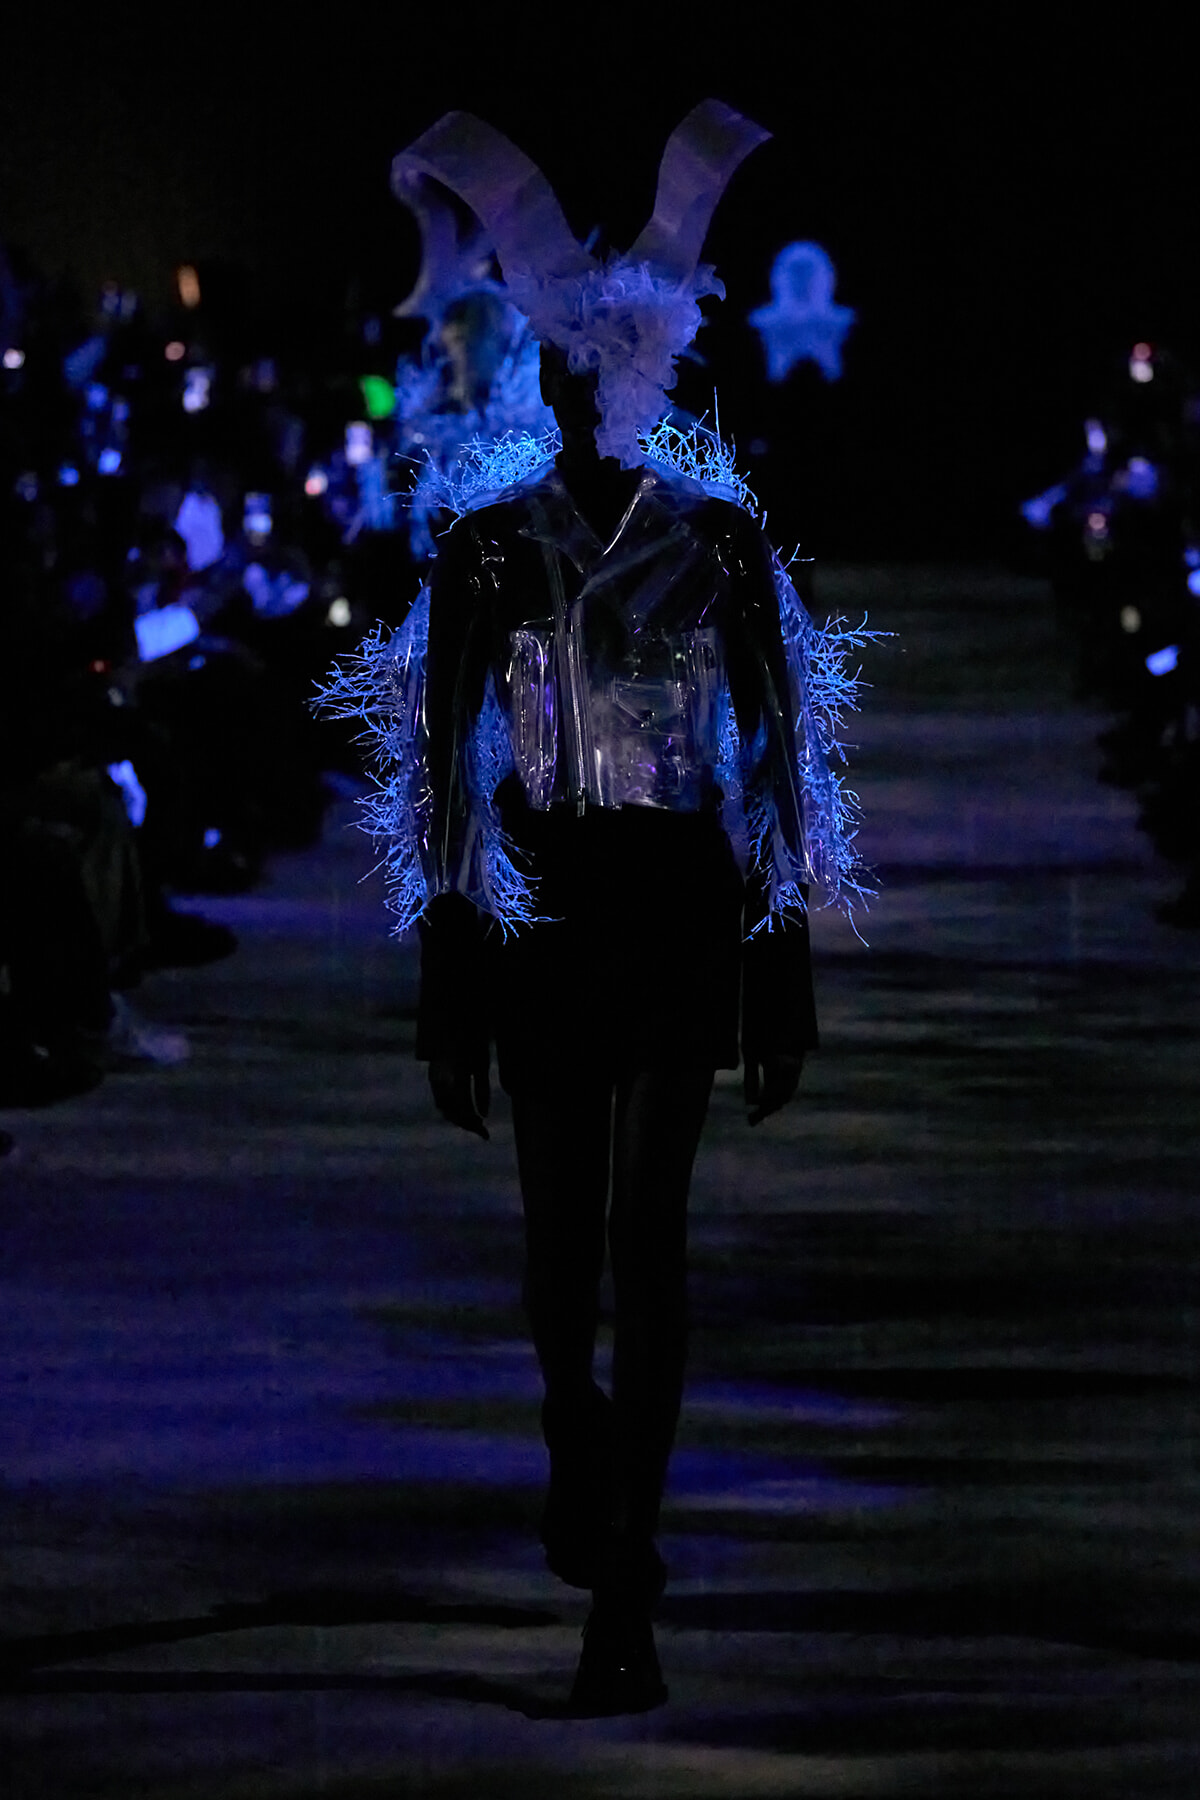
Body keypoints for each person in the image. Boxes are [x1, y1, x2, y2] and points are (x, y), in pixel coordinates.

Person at [320, 102, 871, 1714]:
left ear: (654, 366)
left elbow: (781, 767)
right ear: (550, 373)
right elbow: (441, 771)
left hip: (676, 894)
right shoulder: (485, 552)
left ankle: (624, 1585)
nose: (587, 377)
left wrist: (786, 978)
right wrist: (445, 973)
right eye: (569, 355)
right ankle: (577, 1419)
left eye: (612, 352)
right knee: (564, 1256)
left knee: (649, 1238)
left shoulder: (722, 551)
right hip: (549, 901)